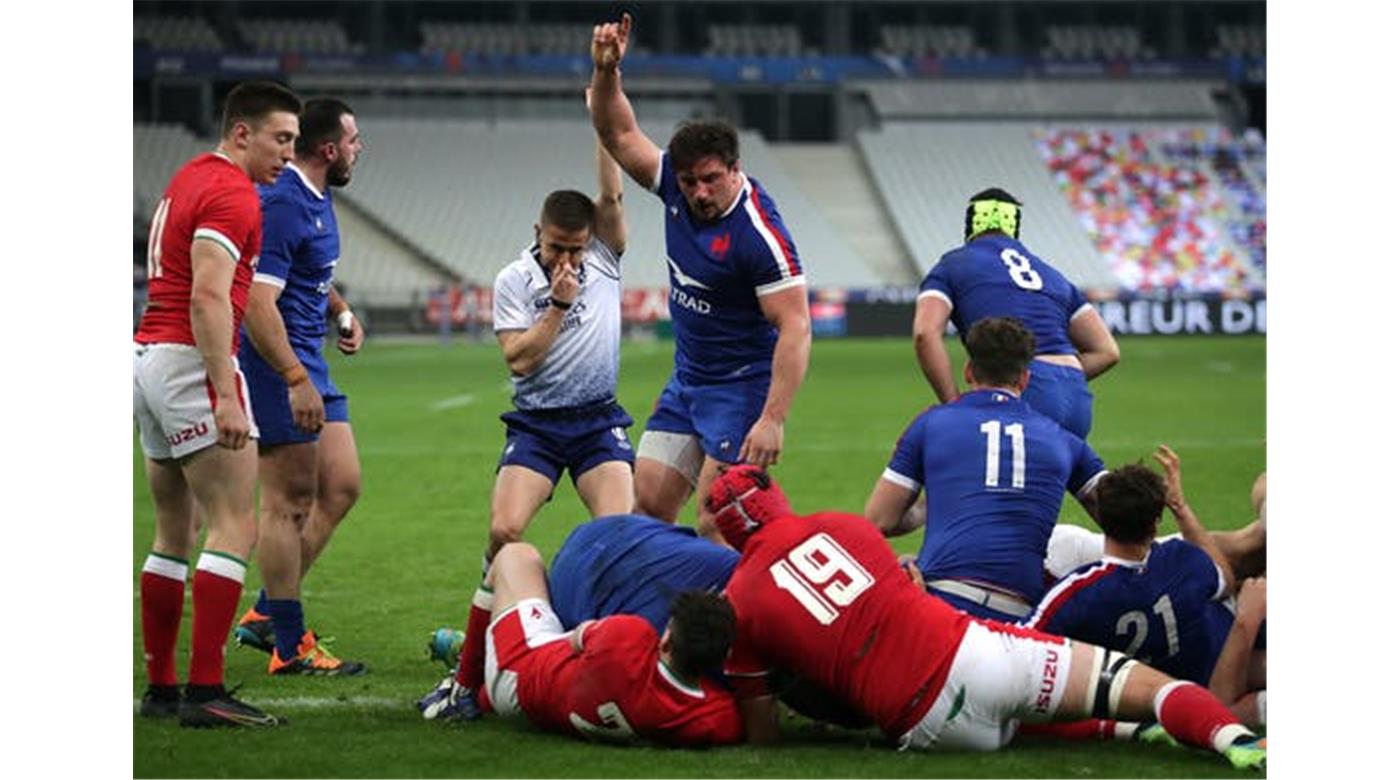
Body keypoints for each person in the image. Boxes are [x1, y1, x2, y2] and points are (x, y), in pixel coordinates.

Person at [709, 466, 1266, 769]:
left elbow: (762, 730)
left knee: (1016, 722)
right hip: (970, 653)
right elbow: (904, 584)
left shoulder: (740, 602)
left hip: (924, 728)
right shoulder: (843, 526)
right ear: (776, 498)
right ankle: (1230, 739)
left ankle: (1132, 730)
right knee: (1142, 687)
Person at [589, 13, 812, 541]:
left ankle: (735, 621)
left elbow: (796, 326)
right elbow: (618, 131)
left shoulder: (758, 236)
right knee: (647, 501)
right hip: (688, 380)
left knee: (719, 517)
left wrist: (773, 417)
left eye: (712, 179)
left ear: (736, 170)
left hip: (742, 388)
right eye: (690, 181)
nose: (699, 192)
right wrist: (607, 73)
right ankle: (664, 612)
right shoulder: (675, 187)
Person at [133, 80, 300, 727]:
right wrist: (227, 394)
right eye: (281, 138)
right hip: (188, 360)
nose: (288, 152)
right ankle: (206, 693)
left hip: (148, 356)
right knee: (236, 525)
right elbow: (207, 297)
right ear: (241, 133)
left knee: (175, 531)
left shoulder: (189, 177)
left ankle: (162, 688)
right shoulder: (233, 194)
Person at [230, 98, 368, 676]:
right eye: (354, 140)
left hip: (311, 357)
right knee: (287, 504)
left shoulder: (318, 195)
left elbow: (310, 273)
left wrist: (340, 311)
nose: (359, 149)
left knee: (342, 485)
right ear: (329, 149)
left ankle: (266, 615)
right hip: (276, 365)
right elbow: (260, 302)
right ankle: (289, 646)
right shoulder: (284, 203)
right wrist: (293, 379)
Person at [864, 317, 1108, 622]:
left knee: (900, 570)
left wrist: (937, 501)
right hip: (1020, 619)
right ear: (1024, 379)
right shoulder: (1064, 440)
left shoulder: (930, 423)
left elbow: (878, 520)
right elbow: (1125, 521)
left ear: (968, 371)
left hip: (942, 607)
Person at [417, 542, 745, 747]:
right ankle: (480, 659)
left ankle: (462, 686)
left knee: (516, 556)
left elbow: (576, 638)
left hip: (522, 667)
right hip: (548, 707)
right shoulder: (714, 718)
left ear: (667, 639)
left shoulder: (628, 639)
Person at [1026, 447, 1266, 726]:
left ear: (1101, 516)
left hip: (1189, 676)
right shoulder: (1180, 559)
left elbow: (1026, 642)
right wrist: (1180, 507)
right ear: (1155, 525)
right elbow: (1223, 577)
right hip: (1234, 645)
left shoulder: (1078, 594)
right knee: (1263, 495)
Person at [482, 138, 634, 576]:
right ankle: (475, 642)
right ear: (537, 234)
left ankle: (602, 632)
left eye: (575, 248)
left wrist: (602, 114)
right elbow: (519, 361)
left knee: (619, 532)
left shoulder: (604, 256)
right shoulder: (513, 280)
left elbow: (612, 195)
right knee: (504, 531)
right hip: (539, 424)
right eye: (555, 247)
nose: (565, 259)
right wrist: (558, 305)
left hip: (598, 420)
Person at [913, 188, 1119, 439]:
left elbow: (925, 333)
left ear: (971, 224)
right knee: (1060, 479)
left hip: (1018, 385)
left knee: (978, 474)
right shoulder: (1051, 274)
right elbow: (1107, 351)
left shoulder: (952, 265)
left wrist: (954, 404)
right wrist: (1058, 382)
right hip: (1075, 393)